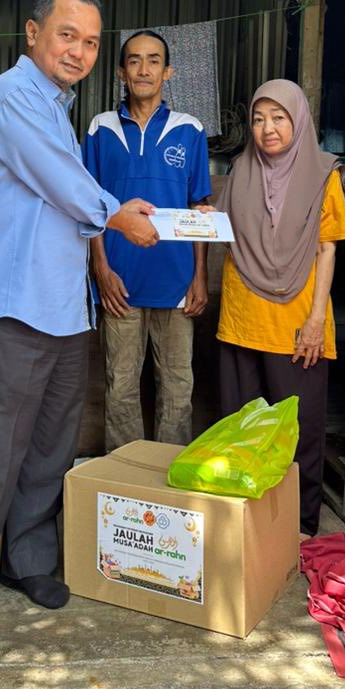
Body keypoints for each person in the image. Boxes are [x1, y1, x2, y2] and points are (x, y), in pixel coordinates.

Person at [0, 0, 159, 652]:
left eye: (90, 42)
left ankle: (27, 560)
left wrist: (120, 216)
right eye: (67, 35)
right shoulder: (11, 96)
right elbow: (60, 182)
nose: (79, 51)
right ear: (33, 34)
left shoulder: (58, 110)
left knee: (49, 446)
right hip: (14, 301)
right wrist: (117, 214)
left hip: (63, 306)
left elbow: (65, 191)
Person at [216, 79, 345, 537]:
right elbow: (224, 232)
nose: (267, 128)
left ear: (298, 120)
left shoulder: (323, 174)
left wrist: (316, 321)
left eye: (278, 118)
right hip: (242, 317)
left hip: (297, 321)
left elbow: (327, 249)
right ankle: (243, 525)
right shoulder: (241, 169)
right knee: (241, 428)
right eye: (258, 119)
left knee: (298, 429)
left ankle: (298, 526)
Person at [82, 30, 211, 451]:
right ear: (121, 72)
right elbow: (88, 206)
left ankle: (169, 478)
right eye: (134, 60)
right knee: (120, 388)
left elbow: (198, 206)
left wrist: (199, 277)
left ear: (167, 71)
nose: (143, 69)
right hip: (120, 284)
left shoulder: (189, 130)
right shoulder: (100, 128)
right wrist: (101, 269)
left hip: (176, 284)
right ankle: (124, 478)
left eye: (153, 60)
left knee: (177, 388)